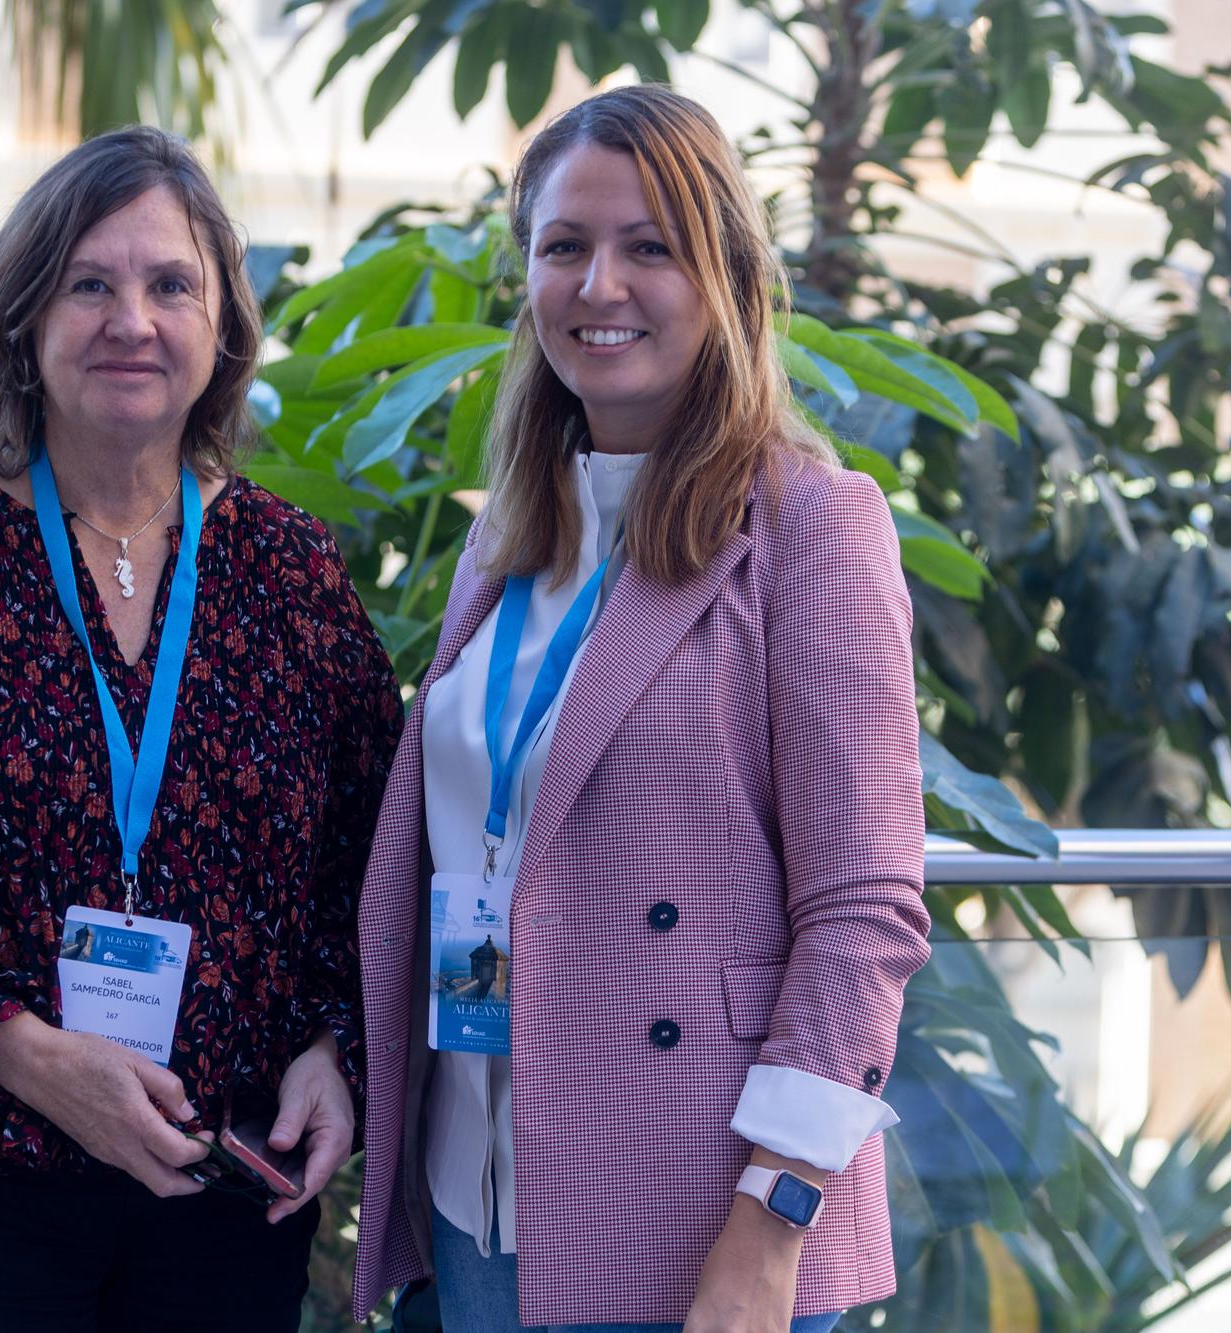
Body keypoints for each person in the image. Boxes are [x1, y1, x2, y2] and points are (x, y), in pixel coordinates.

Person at [0, 126, 403, 1333]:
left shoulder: (292, 575)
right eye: (89, 284)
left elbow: (370, 855)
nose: (133, 320)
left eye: (171, 285)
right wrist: (22, 1050)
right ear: (24, 321)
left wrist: (336, 1047)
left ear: (220, 327)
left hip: (220, 1182)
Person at [352, 86, 932, 1333]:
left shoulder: (812, 526)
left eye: (647, 247)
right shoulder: (512, 533)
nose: (597, 285)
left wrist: (765, 1232)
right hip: (475, 1194)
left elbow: (862, 911)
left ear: (724, 273)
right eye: (563, 246)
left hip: (692, 1219)